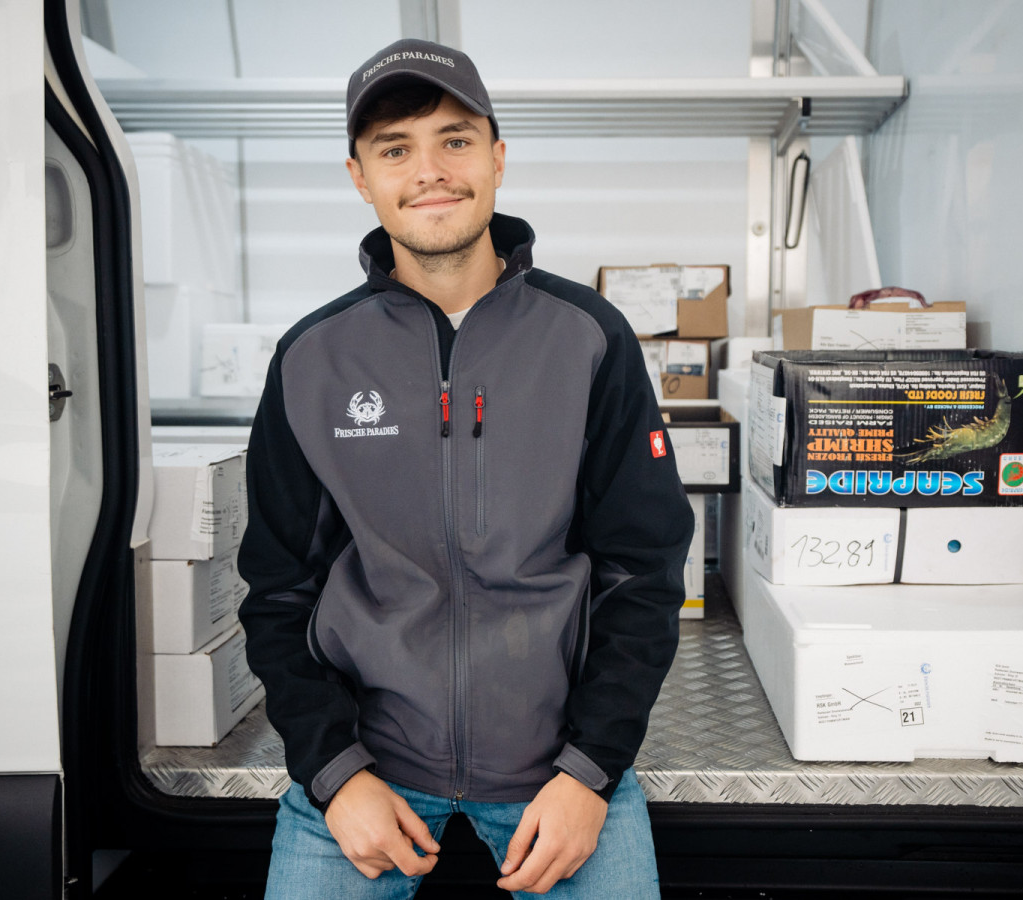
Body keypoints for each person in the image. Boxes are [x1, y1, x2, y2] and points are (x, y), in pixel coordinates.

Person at [237, 37, 694, 898]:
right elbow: (276, 591)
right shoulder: (312, 359)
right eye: (395, 149)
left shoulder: (588, 337)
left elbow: (643, 570)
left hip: (555, 770)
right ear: (359, 177)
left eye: (454, 139)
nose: (430, 170)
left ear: (498, 156)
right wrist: (335, 774)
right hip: (369, 770)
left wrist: (590, 770)